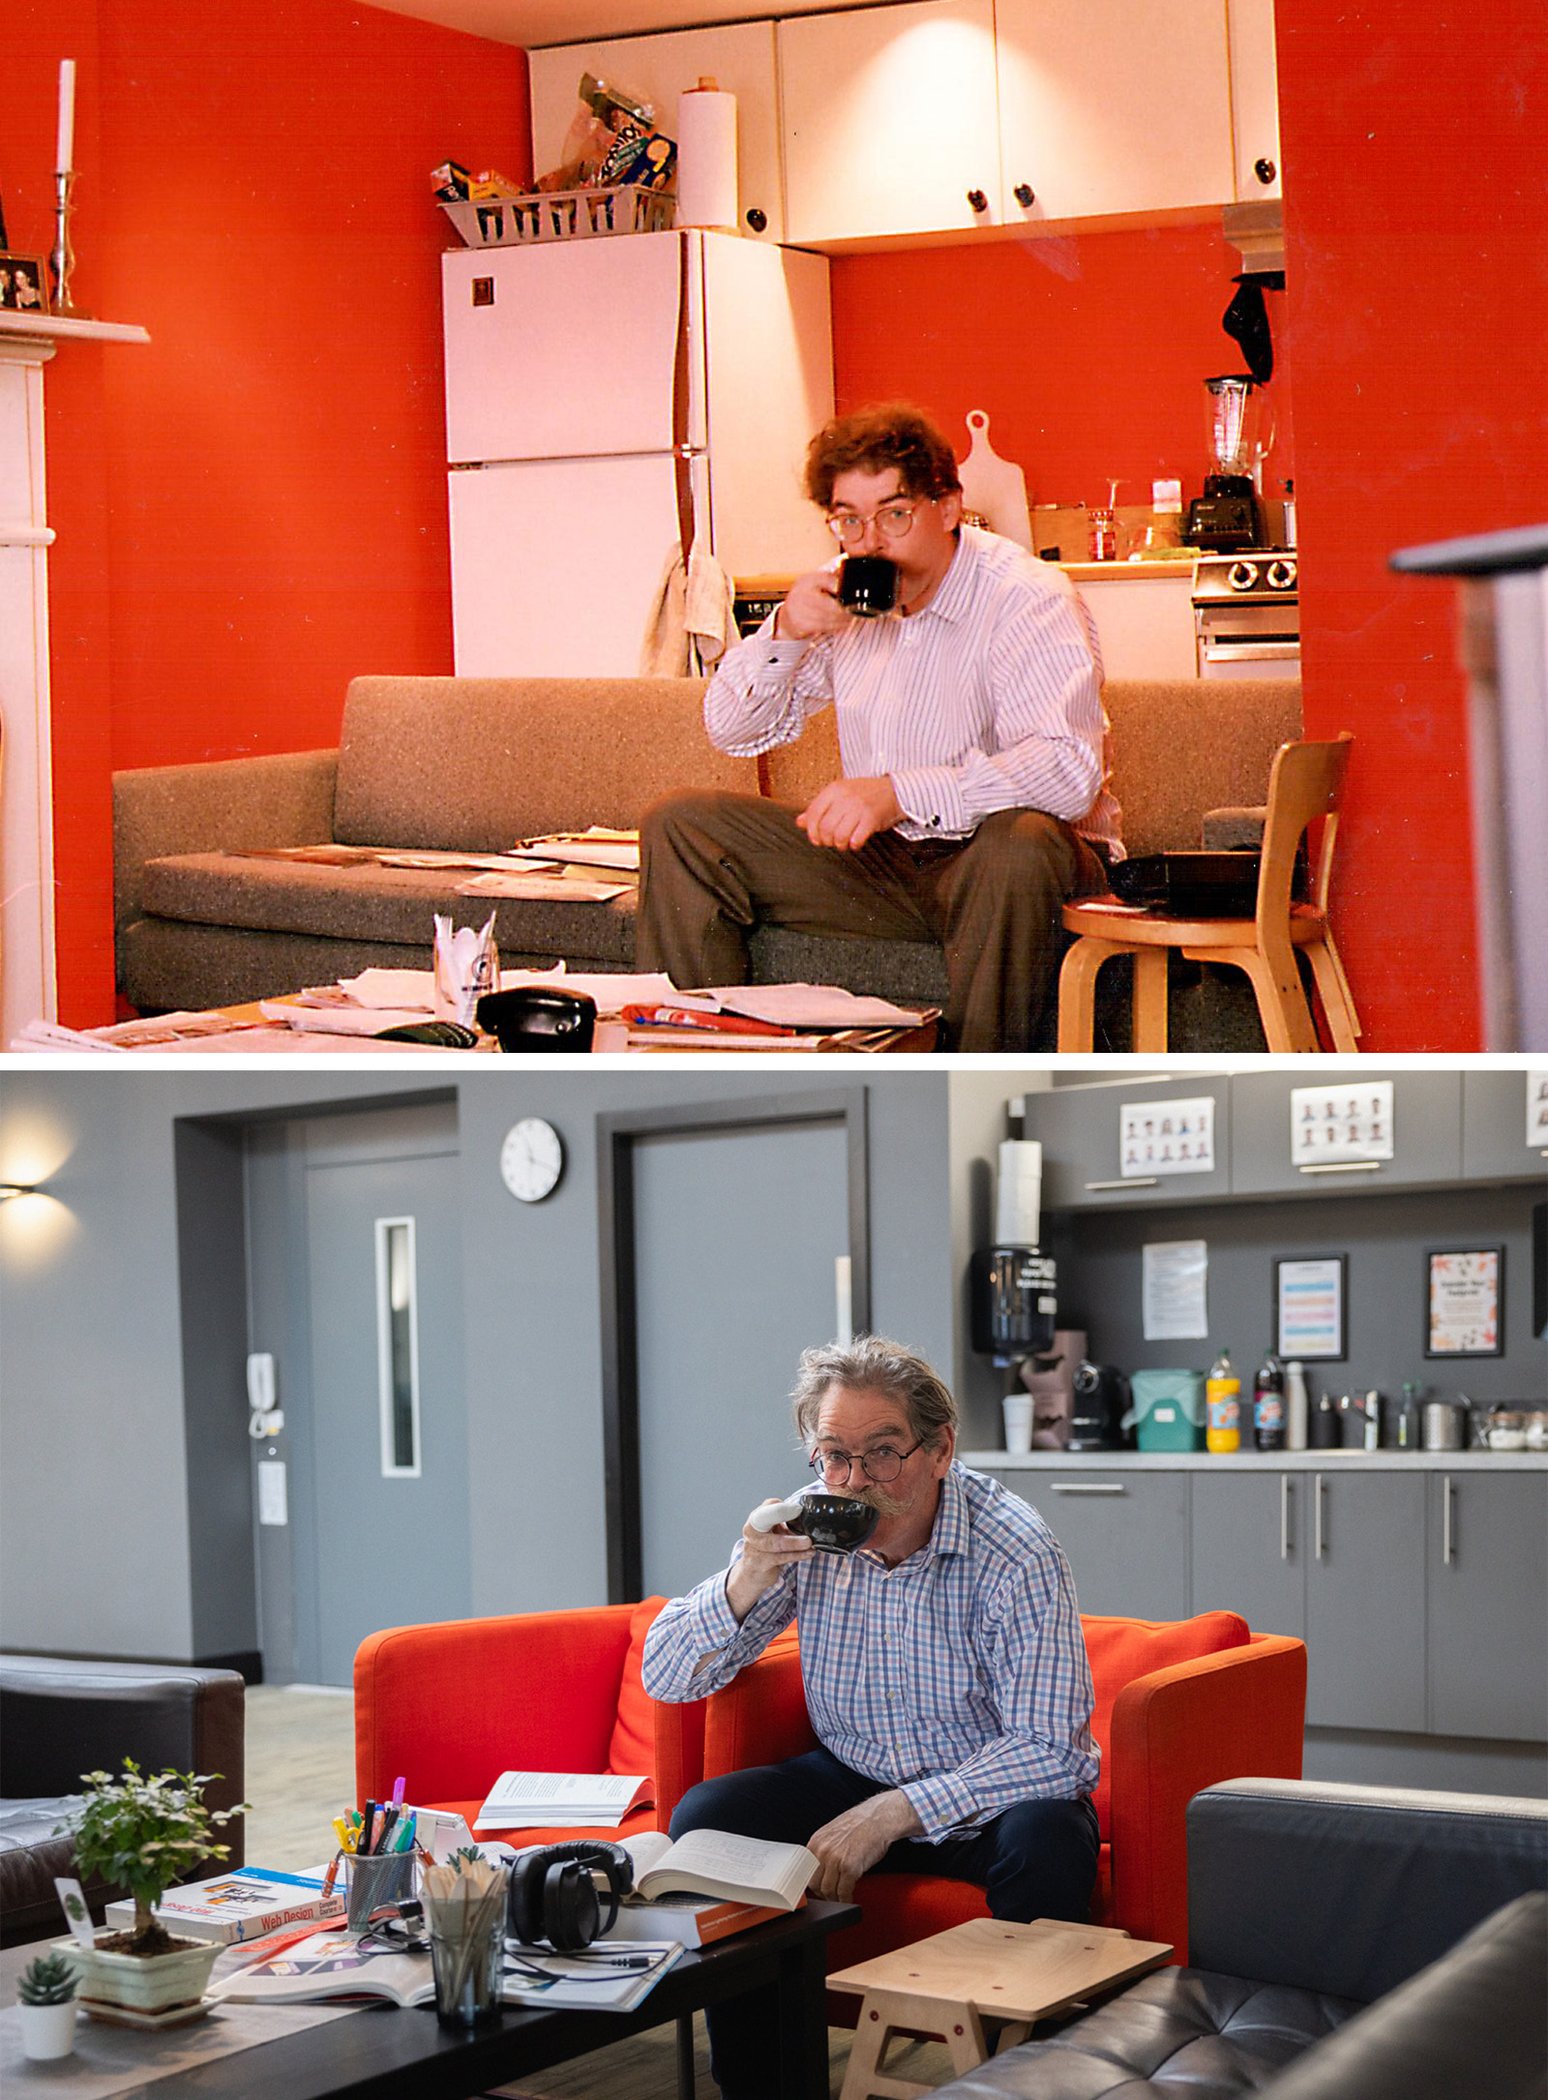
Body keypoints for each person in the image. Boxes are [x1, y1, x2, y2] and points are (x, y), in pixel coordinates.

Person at [641, 1335, 1099, 2100]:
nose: (855, 1483)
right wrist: (748, 1575)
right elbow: (667, 1674)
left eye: (883, 1454)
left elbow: (1055, 1750)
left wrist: (898, 1812)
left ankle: (1026, 2087)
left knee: (1048, 1840)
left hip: (985, 1799)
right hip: (853, 1774)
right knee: (711, 1816)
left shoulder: (1014, 1548)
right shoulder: (811, 1531)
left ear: (941, 1449)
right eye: (832, 1456)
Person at [636, 403, 1124, 1052]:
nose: (869, 541)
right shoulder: (849, 598)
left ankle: (975, 1121)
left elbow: (1066, 775)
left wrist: (897, 791)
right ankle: (702, 1086)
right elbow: (730, 729)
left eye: (894, 515)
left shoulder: (1027, 596)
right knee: (682, 824)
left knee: (1021, 842)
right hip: (888, 867)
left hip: (1005, 863)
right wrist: (786, 633)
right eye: (848, 520)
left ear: (946, 507)